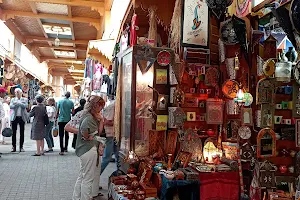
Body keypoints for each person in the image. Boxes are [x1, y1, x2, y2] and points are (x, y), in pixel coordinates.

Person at [72, 95, 105, 200]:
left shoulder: (89, 115)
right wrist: (87, 137)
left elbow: (97, 132)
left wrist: (101, 121)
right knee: (88, 179)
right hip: (88, 149)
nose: (102, 108)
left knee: (82, 176)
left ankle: (76, 198)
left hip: (85, 149)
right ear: (95, 106)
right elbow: (84, 128)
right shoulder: (89, 117)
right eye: (101, 106)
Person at [100, 97, 119, 175]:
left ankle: (119, 174)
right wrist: (118, 123)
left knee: (118, 157)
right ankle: (94, 178)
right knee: (107, 158)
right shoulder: (112, 106)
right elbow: (106, 121)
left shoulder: (116, 105)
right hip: (109, 135)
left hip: (114, 135)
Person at [10, 88, 28, 152]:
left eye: (18, 92)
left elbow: (25, 106)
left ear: (21, 93)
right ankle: (13, 147)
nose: (17, 94)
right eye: (16, 92)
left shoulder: (25, 99)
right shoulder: (12, 99)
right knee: (13, 132)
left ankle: (21, 147)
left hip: (22, 117)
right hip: (14, 117)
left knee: (22, 133)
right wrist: (18, 104)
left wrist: (18, 103)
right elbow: (11, 106)